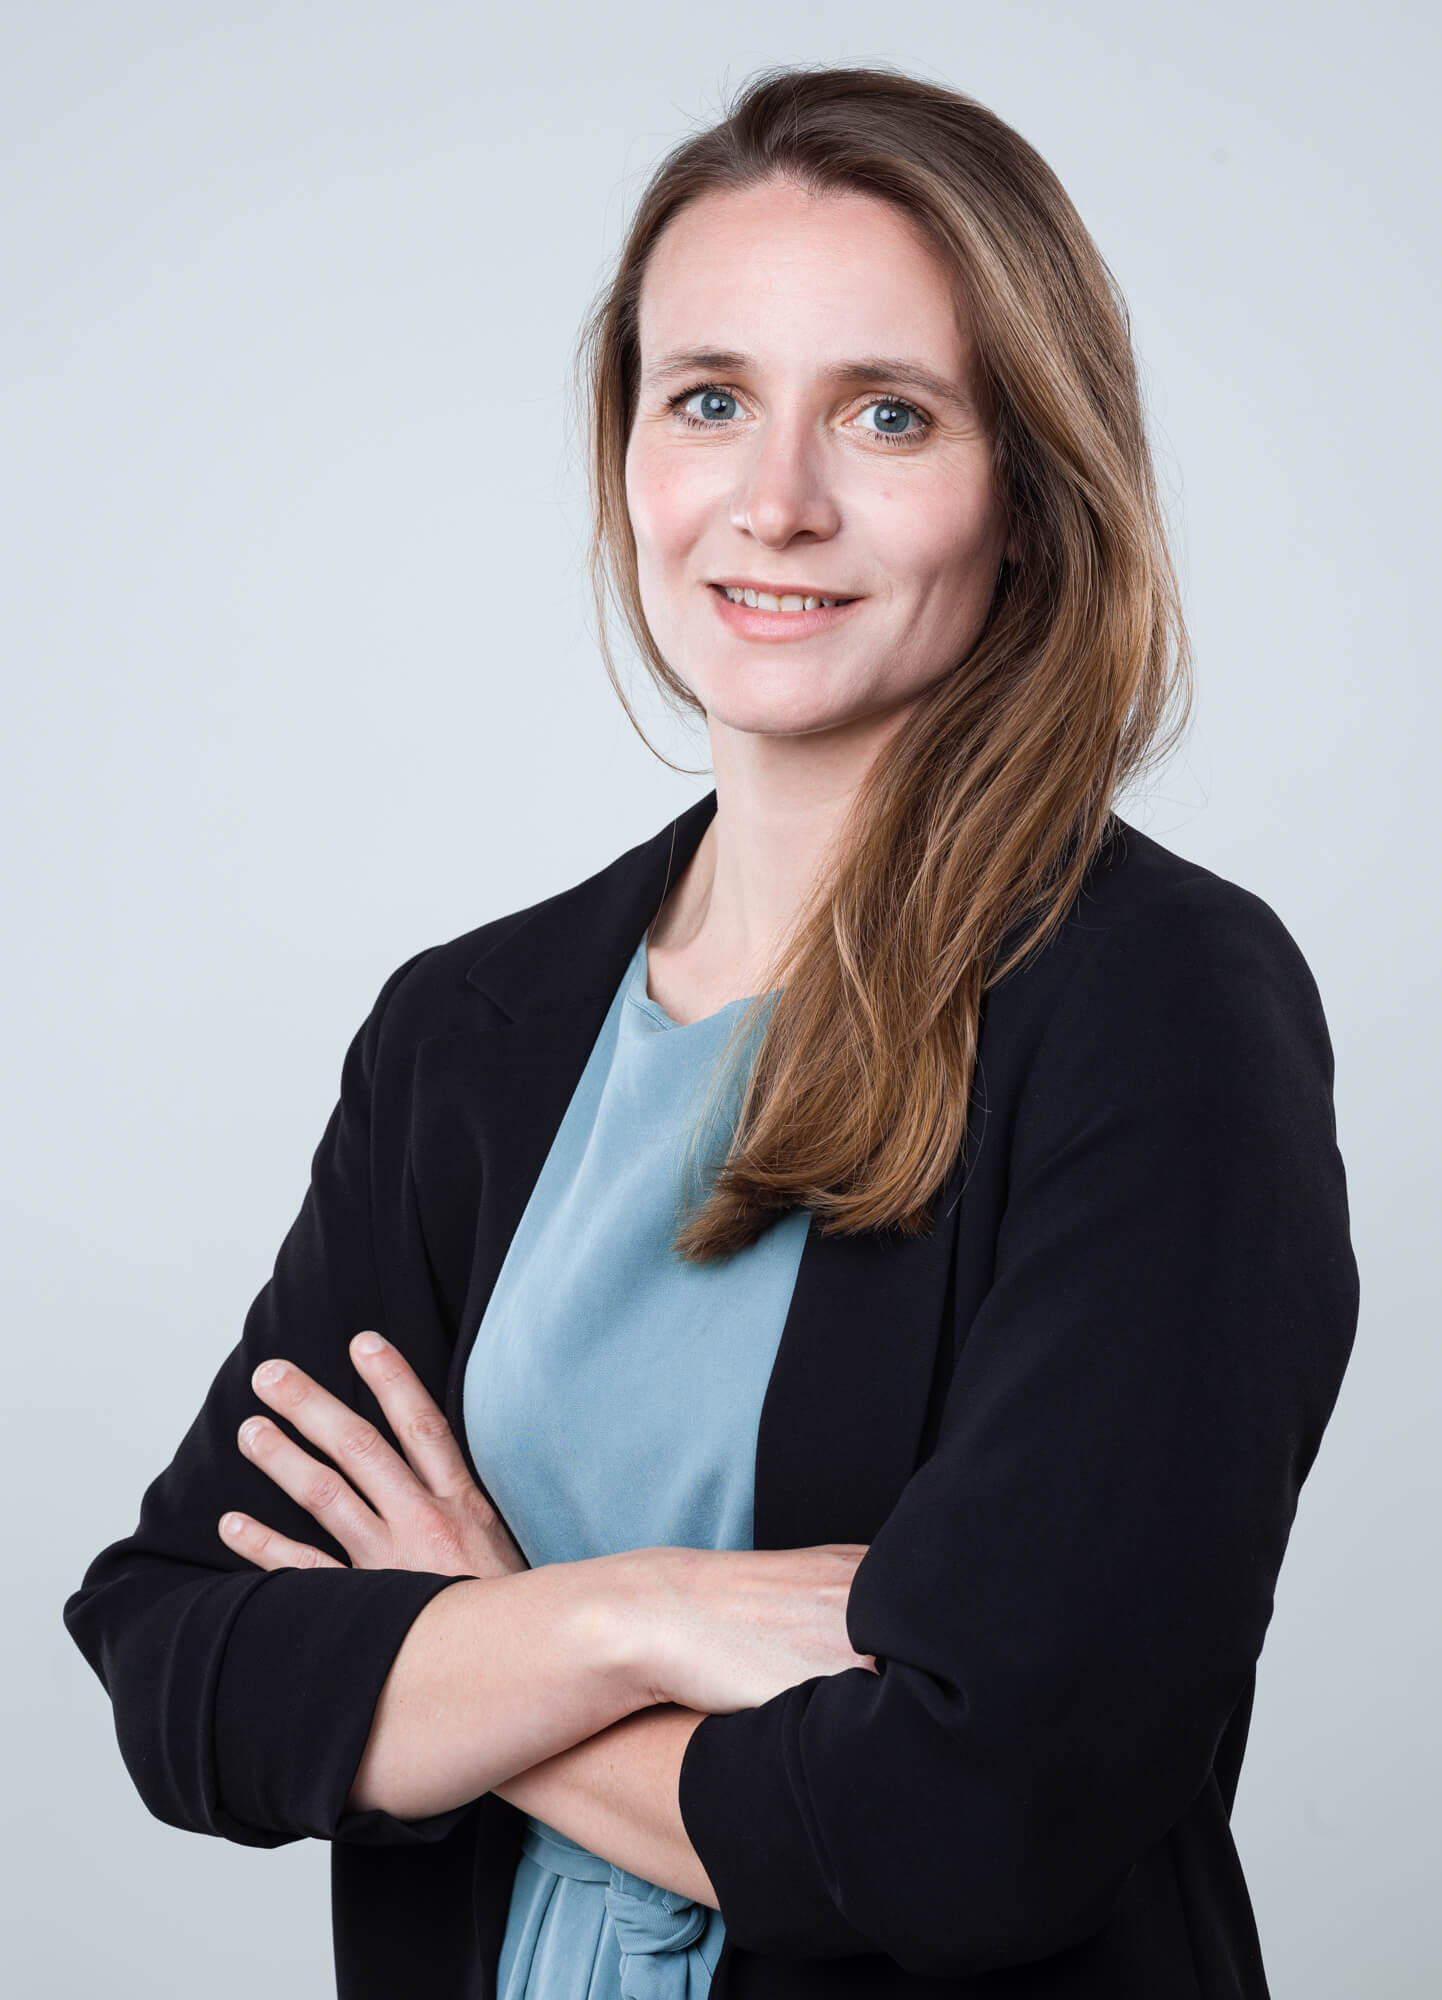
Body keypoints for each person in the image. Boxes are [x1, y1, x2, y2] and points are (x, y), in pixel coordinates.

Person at [62, 61, 1359, 2000]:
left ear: (1027, 485)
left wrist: (461, 1645)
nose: (778, 500)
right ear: (629, 456)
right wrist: (639, 1619)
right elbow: (186, 1680)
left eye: (890, 413)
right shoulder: (470, 1031)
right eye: (712, 398)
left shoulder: (1157, 1006)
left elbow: (975, 1827)